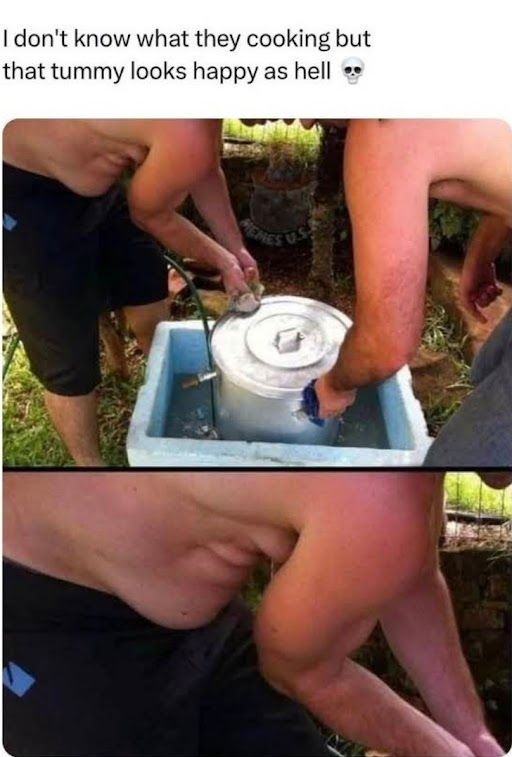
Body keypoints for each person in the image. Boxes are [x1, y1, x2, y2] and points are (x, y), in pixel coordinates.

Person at [3, 471, 504, 757]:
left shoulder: (414, 467)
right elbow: (304, 674)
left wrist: (474, 738)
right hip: (46, 614)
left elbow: (409, 574)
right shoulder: (378, 494)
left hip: (201, 621)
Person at [3, 119, 258, 466]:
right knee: (66, 356)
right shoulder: (188, 128)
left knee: (145, 285)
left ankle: (158, 394)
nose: (300, 122)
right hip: (21, 193)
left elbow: (206, 170)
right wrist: (222, 260)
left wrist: (235, 249)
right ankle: (90, 468)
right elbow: (153, 216)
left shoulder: (205, 105)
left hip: (102, 189)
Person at [312, 119, 511, 466]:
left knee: (456, 461)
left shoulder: (383, 125)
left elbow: (385, 344)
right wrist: (481, 254)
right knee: (486, 369)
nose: (299, 121)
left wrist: (333, 386)